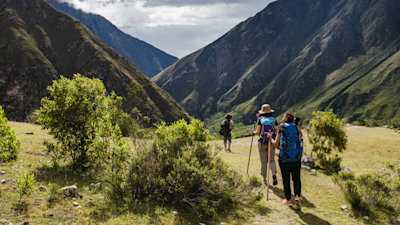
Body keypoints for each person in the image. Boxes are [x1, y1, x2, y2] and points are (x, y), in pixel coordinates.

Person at [268, 112, 303, 210]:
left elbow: (276, 144)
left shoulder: (282, 129)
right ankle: (297, 196)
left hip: (284, 159)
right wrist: (297, 126)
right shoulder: (296, 128)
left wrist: (270, 137)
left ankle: (288, 199)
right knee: (296, 179)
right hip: (296, 158)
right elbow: (300, 137)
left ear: (284, 119)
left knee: (286, 179)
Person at [252, 104, 278, 186]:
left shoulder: (260, 119)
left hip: (262, 142)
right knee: (272, 159)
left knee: (264, 161)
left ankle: (264, 179)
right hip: (271, 141)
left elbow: (258, 132)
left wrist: (253, 131)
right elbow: (277, 131)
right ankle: (274, 173)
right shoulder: (274, 120)